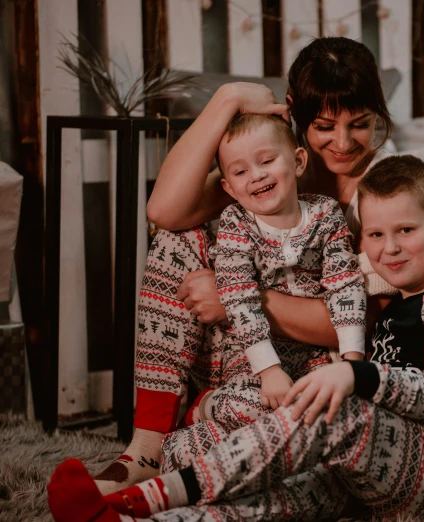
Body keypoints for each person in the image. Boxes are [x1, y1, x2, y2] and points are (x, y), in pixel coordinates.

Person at [47, 155, 424, 521]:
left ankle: (143, 498)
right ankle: (124, 520)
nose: (389, 248)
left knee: (337, 412)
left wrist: (357, 375)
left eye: (406, 231)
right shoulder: (391, 304)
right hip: (374, 462)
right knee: (255, 484)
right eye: (376, 234)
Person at [89, 36, 395, 495]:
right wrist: (227, 98)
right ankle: (148, 444)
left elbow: (372, 321)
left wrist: (237, 296)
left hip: (307, 364)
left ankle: (197, 433)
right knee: (179, 238)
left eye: (361, 123)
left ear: (379, 114)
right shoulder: (267, 167)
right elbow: (164, 212)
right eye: (325, 126)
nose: (343, 142)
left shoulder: (384, 186)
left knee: (305, 417)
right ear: (294, 115)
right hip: (233, 352)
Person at [205, 112, 366, 420]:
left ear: (298, 162)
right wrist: (269, 370)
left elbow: (346, 284)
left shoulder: (326, 213)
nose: (256, 175)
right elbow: (238, 298)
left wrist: (352, 363)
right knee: (254, 407)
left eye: (267, 161)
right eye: (240, 172)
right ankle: (205, 406)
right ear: (229, 188)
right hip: (252, 356)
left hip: (314, 352)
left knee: (333, 410)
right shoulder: (236, 223)